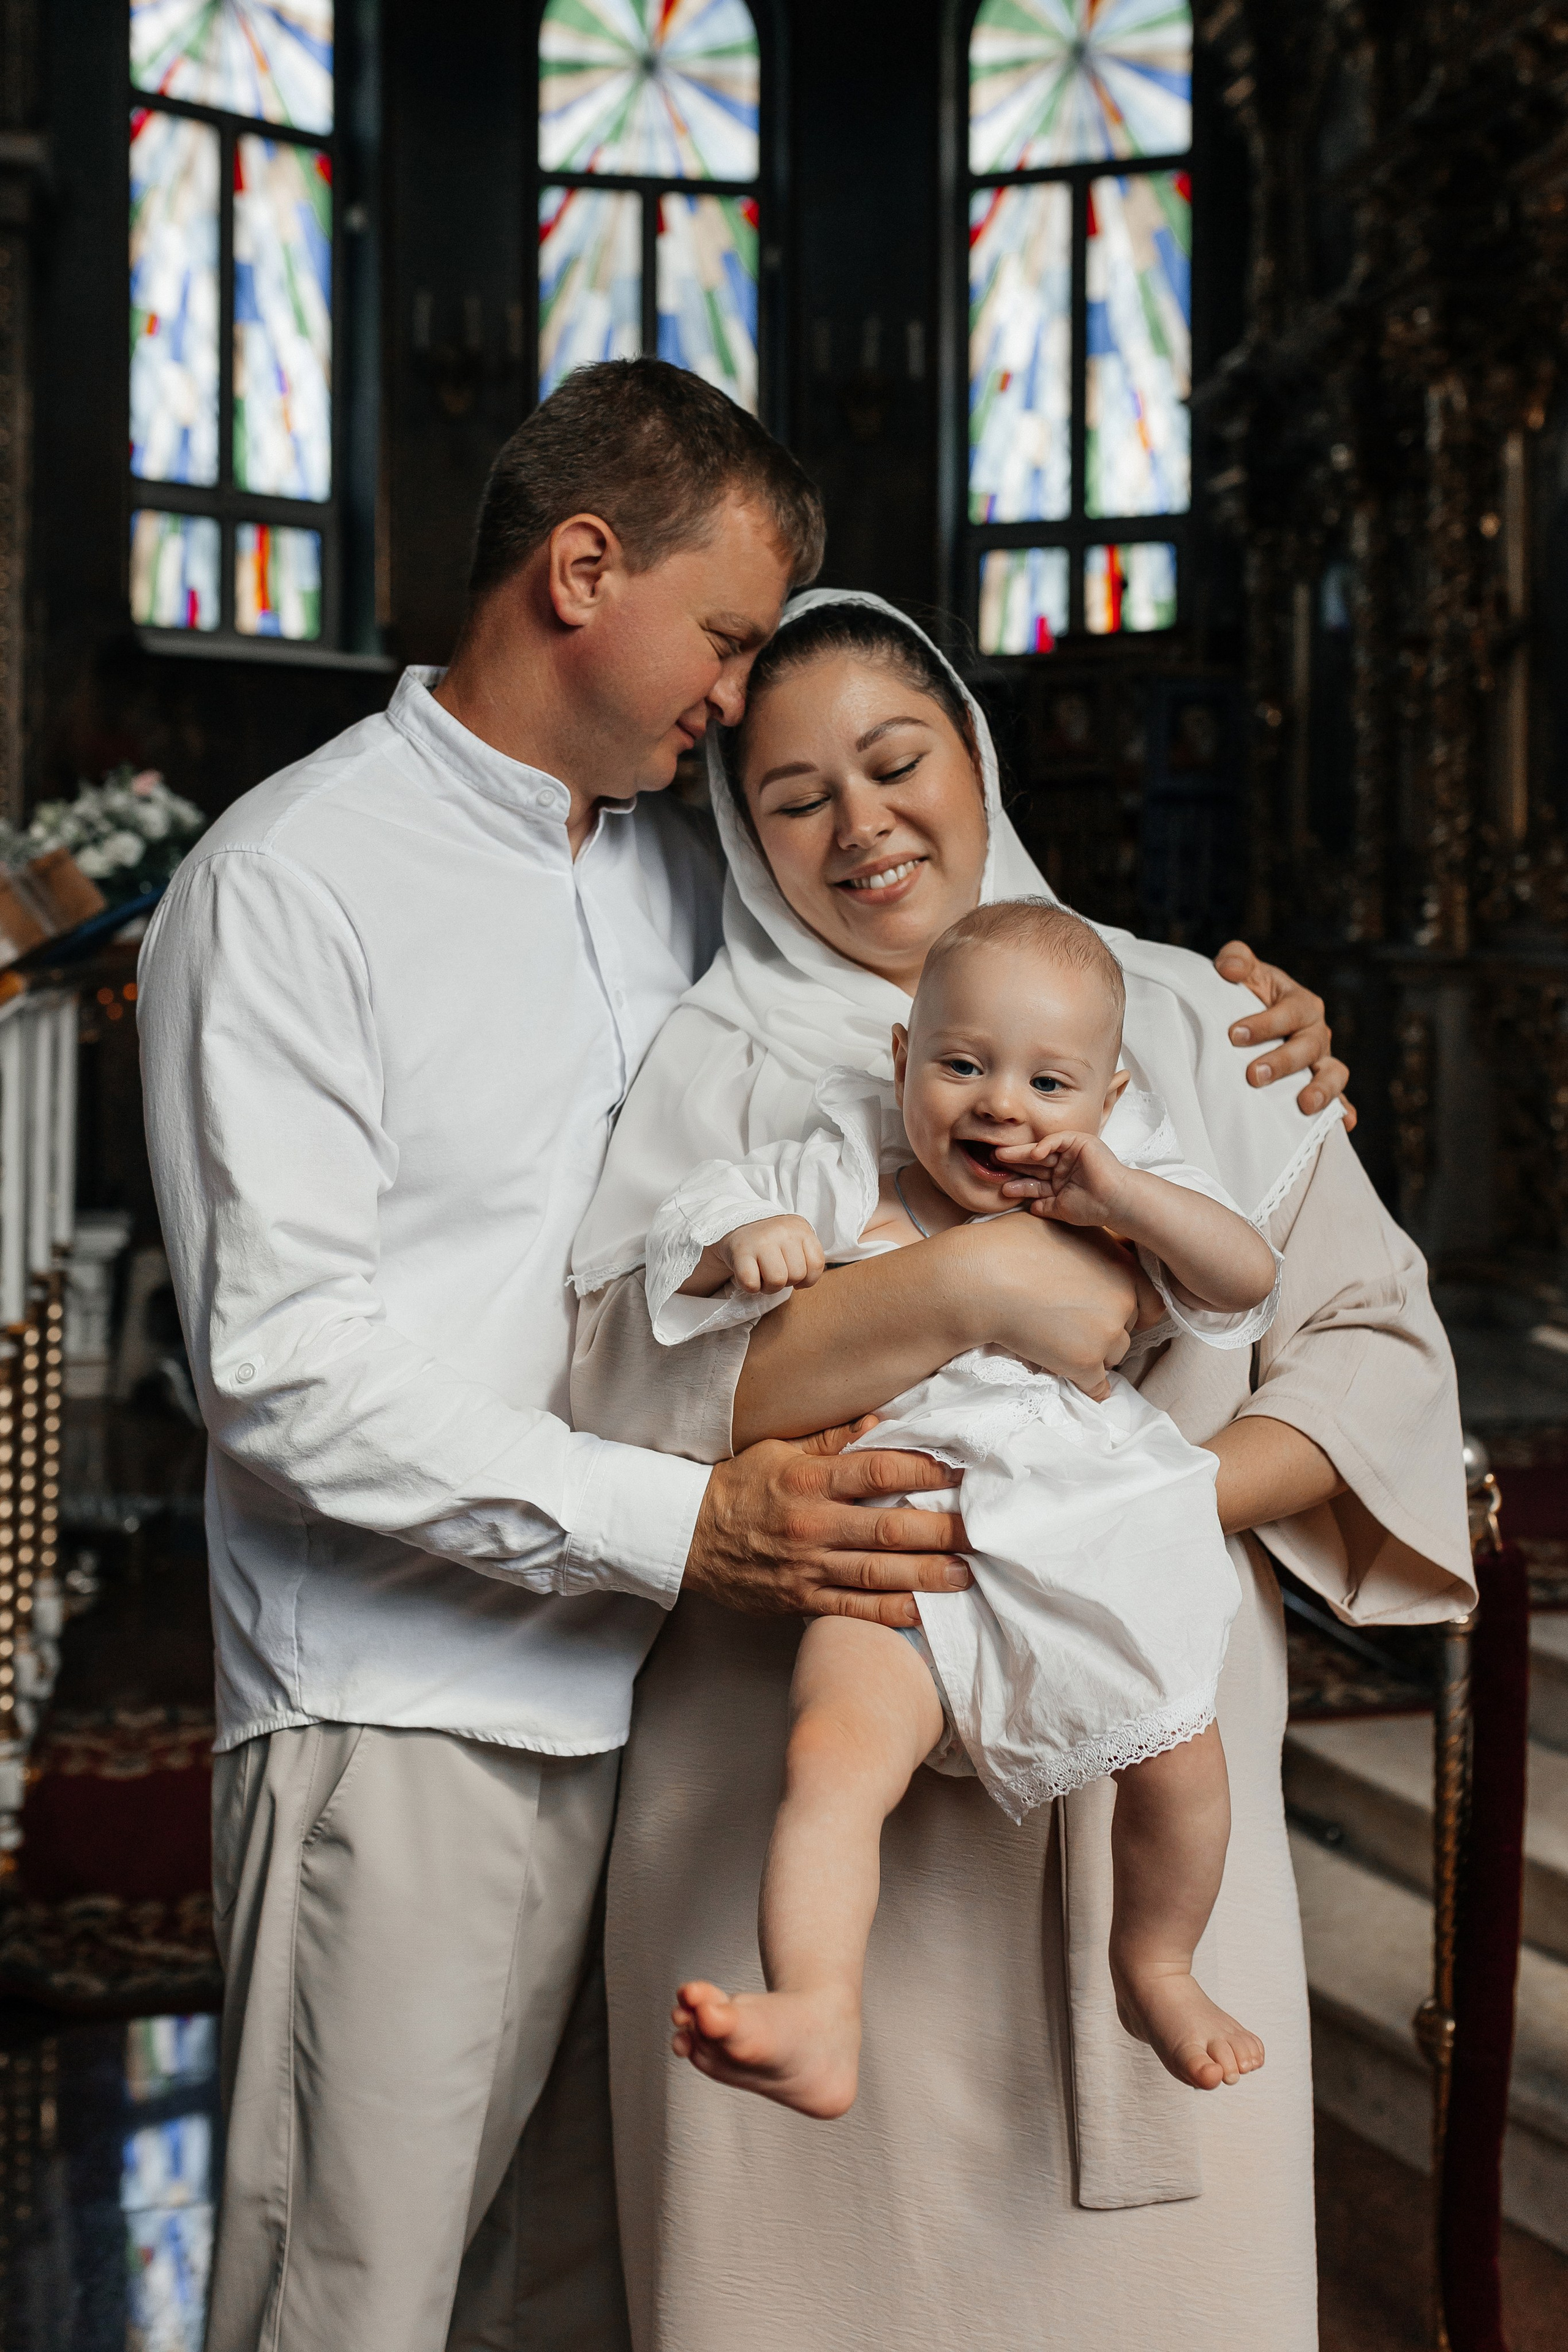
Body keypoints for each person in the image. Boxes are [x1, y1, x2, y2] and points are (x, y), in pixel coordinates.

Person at [137, 365, 984, 2352]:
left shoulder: (690, 870)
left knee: (586, 2310)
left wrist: (1220, 1016)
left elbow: (916, 1007)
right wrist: (686, 1519)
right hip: (405, 1709)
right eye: (726, 636)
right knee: (346, 2309)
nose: (734, 693)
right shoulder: (288, 883)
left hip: (678, 1716)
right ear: (584, 569)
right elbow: (283, 1371)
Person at [569, 589, 1474, 2352]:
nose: (863, 826)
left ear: (974, 757)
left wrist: (1145, 1513)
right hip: (800, 1732)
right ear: (744, 838)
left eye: (898, 764)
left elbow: (1372, 1342)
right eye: (795, 798)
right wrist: (968, 1283)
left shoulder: (1199, 1024)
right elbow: (627, 1392)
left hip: (1135, 1727)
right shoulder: (715, 1055)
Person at [653, 898, 1286, 2112]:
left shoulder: (1119, 1175)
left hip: (1080, 1536)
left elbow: (1241, 1277)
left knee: (1180, 1760)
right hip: (904, 1548)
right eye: (959, 1065)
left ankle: (1153, 1960)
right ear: (901, 1062)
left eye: (1050, 1083)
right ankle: (816, 2008)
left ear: (1109, 1098)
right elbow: (681, 1235)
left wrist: (1124, 1196)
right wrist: (752, 1234)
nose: (1000, 1104)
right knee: (827, 1755)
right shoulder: (847, 1161)